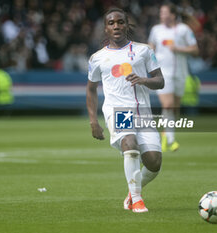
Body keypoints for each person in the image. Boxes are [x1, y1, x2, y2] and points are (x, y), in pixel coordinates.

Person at [86, 8, 164, 213]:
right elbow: (91, 89)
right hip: (118, 110)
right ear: (105, 28)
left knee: (154, 162)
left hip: (143, 114)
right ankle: (137, 200)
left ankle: (132, 191)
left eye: (120, 22)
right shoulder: (97, 58)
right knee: (130, 143)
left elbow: (160, 81)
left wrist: (144, 80)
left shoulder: (144, 51)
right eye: (111, 23)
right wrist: (94, 121)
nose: (116, 26)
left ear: (127, 25)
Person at [148, 2, 199, 152]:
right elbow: (151, 47)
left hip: (181, 74)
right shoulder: (156, 30)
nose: (161, 15)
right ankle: (171, 140)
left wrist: (178, 48)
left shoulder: (184, 29)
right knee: (168, 105)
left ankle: (166, 134)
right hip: (163, 74)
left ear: (173, 15)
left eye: (164, 13)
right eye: (161, 13)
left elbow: (195, 49)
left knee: (174, 109)